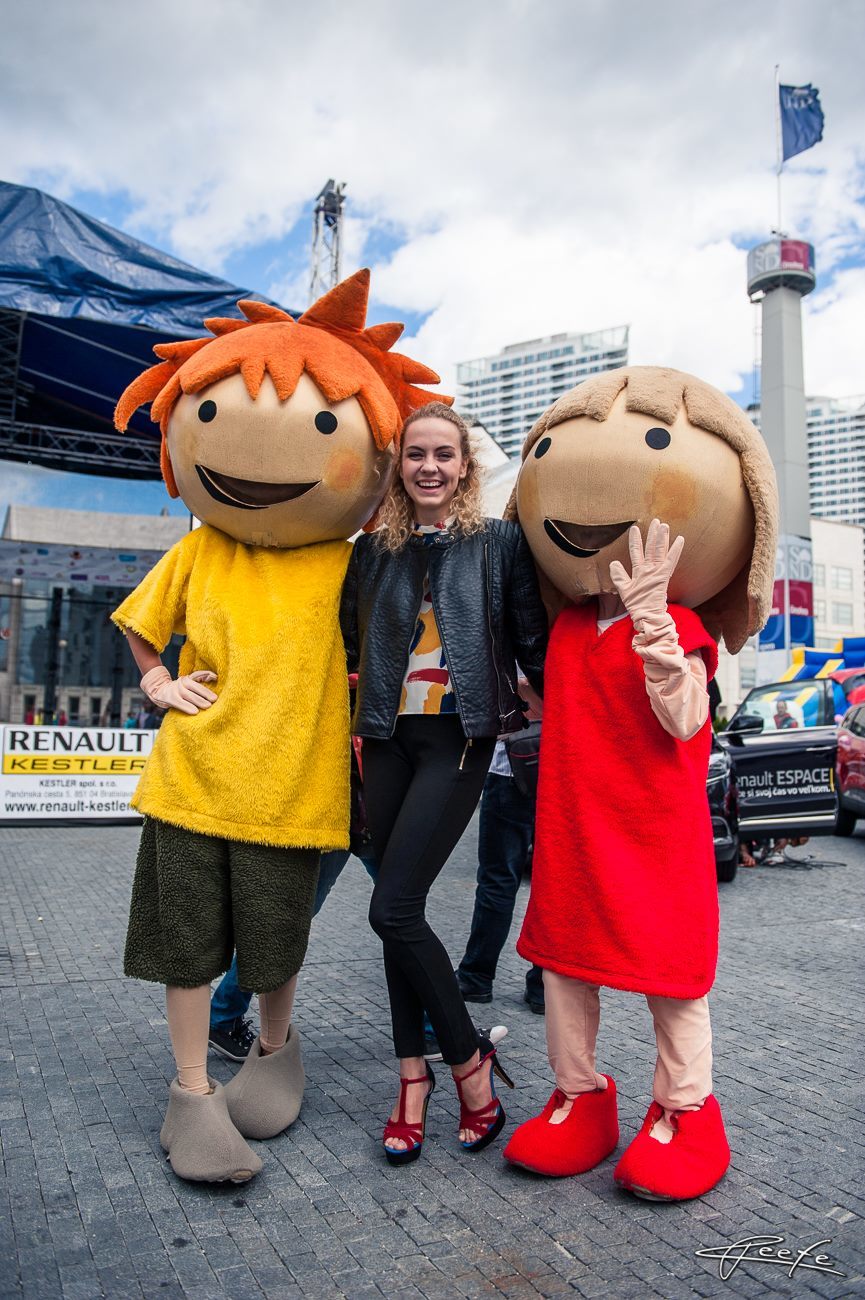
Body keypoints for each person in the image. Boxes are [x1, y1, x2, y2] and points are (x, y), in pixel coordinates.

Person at [111, 270, 447, 1185]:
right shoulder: (201, 546)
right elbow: (140, 625)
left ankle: (272, 1056)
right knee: (188, 945)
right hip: (192, 780)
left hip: (295, 787)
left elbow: (415, 614)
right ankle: (191, 1092)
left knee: (275, 944)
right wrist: (157, 681)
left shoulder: (350, 562)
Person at [503, 365, 778, 1201]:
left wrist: (654, 621)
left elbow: (685, 718)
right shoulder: (566, 627)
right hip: (573, 829)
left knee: (670, 978)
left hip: (655, 835)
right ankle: (578, 1096)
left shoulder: (681, 625)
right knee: (564, 969)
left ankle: (685, 1111)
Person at [340, 401, 548, 1165]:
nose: (429, 467)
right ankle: (411, 1079)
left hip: (459, 736)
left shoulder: (498, 543)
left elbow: (532, 640)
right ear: (398, 466)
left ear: (463, 467)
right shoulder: (372, 552)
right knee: (399, 915)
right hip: (385, 738)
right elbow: (348, 646)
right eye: (415, 454)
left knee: (390, 908)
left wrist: (569, 714)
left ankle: (464, 1059)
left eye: (443, 455)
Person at [456, 680, 545, 1013]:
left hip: (510, 765)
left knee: (497, 880)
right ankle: (544, 986)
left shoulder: (507, 646)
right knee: (554, 883)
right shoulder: (570, 646)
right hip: (562, 766)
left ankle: (476, 977)